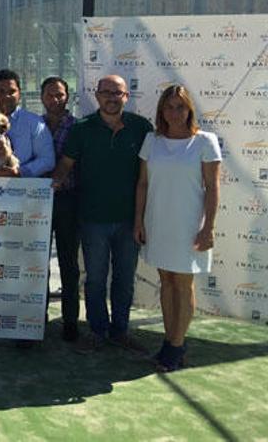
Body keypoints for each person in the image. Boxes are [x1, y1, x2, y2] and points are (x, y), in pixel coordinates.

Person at [52, 75, 153, 355]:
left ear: (126, 97)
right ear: (96, 96)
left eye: (117, 93)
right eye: (105, 92)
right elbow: (65, 165)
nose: (111, 97)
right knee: (95, 279)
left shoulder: (141, 128)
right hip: (92, 219)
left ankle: (120, 331)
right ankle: (97, 331)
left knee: (124, 278)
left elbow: (155, 168)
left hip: (130, 221)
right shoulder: (82, 129)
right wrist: (50, 185)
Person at [134, 84, 221, 371]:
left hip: (188, 225)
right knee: (167, 282)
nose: (174, 113)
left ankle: (175, 346)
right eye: (169, 107)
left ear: (189, 110)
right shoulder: (152, 140)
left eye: (180, 107)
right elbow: (143, 184)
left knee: (183, 285)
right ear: (161, 111)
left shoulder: (205, 141)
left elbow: (212, 189)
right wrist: (139, 221)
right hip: (158, 222)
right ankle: (170, 341)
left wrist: (208, 227)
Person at [41, 76, 81, 342]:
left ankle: (70, 321)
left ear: (68, 97)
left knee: (68, 263)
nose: (55, 100)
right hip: (39, 202)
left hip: (68, 201)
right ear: (42, 97)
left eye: (60, 95)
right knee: (37, 262)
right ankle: (36, 318)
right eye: (50, 95)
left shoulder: (79, 127)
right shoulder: (35, 125)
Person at [0, 69, 55, 178]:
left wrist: (20, 172)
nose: (6, 96)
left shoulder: (34, 123)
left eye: (11, 92)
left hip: (20, 189)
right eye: (0, 91)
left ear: (19, 93)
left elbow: (47, 160)